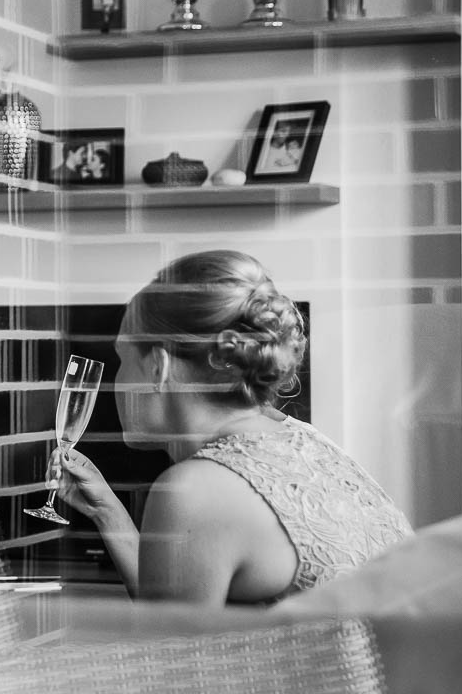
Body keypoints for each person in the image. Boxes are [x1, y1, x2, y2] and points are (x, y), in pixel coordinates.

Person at [53, 250, 412, 604]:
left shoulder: (194, 491)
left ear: (158, 367)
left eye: (123, 359)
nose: (116, 382)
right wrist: (108, 513)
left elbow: (169, 656)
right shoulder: (304, 439)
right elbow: (175, 614)